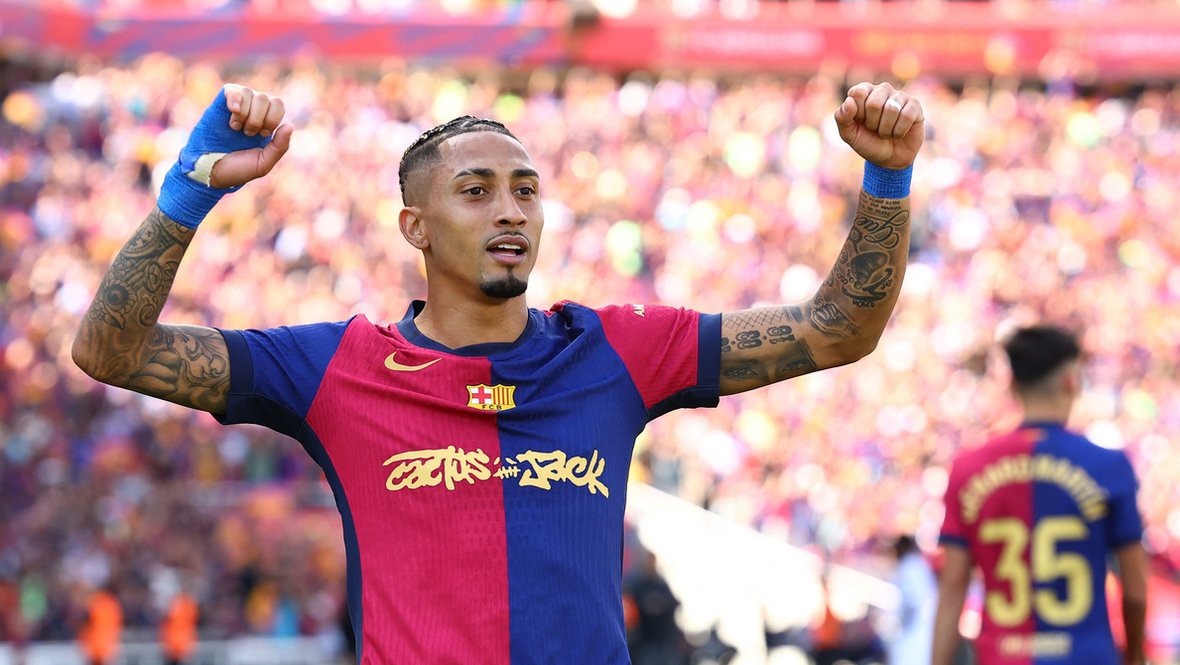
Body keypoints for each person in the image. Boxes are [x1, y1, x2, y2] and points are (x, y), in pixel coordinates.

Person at [72, 80, 924, 663]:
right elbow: (111, 351)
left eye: (526, 189)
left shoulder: (614, 351)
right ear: (415, 227)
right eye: (476, 191)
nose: (510, 210)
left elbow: (837, 329)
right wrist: (191, 190)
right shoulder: (336, 368)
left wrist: (887, 177)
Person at [932, 326, 1149, 665]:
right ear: (1071, 380)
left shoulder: (968, 469)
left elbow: (952, 589)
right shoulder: (1109, 466)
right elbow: (1134, 592)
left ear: (1013, 385)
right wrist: (1134, 657)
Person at [885, 535, 937, 665]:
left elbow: (911, 603)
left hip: (914, 630)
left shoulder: (910, 566)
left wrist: (900, 624)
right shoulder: (917, 565)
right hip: (920, 629)